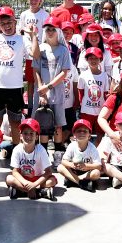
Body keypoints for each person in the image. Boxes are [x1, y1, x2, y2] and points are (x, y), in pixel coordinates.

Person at [0, 7, 31, 146]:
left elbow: (34, 54)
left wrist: (32, 36)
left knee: (15, 122)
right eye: (3, 24)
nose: (7, 26)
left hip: (15, 87)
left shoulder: (22, 39)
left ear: (15, 22)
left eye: (9, 22)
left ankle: (16, 152)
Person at [31, 16, 72, 150]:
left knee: (58, 125)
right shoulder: (40, 48)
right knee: (42, 123)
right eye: (47, 29)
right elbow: (35, 70)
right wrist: (42, 90)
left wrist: (48, 87)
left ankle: (58, 152)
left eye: (53, 29)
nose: (50, 32)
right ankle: (43, 154)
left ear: (58, 31)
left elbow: (64, 72)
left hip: (57, 92)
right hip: (41, 92)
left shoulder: (63, 50)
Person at [6, 118, 57, 200]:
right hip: (23, 179)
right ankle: (40, 192)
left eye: (31, 133)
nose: (28, 136)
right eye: (25, 133)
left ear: (36, 137)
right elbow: (15, 171)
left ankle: (21, 191)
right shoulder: (17, 149)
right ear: (21, 136)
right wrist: (26, 183)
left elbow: (48, 172)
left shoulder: (41, 150)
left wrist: (34, 185)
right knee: (9, 179)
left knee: (52, 181)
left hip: (38, 178)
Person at [18, 0, 50, 117]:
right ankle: (30, 108)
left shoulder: (45, 15)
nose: (33, 1)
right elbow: (21, 32)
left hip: (41, 52)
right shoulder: (24, 14)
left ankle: (41, 106)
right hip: (28, 53)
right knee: (30, 82)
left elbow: (47, 34)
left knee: (41, 81)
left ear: (40, 0)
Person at [58, 119, 102, 191]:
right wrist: (72, 165)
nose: (82, 133)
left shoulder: (92, 148)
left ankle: (72, 180)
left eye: (85, 131)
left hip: (87, 172)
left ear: (89, 136)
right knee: (60, 167)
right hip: (74, 171)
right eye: (79, 131)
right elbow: (63, 161)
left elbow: (98, 166)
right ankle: (80, 183)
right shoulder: (71, 146)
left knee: (96, 173)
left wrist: (86, 166)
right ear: (74, 135)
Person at [77, 47, 109, 143]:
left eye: (96, 58)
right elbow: (80, 93)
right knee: (86, 131)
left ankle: (98, 150)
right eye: (91, 58)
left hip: (100, 110)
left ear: (101, 60)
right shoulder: (83, 76)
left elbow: (105, 93)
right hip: (86, 110)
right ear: (86, 60)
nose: (93, 61)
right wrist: (80, 106)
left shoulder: (104, 76)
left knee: (100, 132)